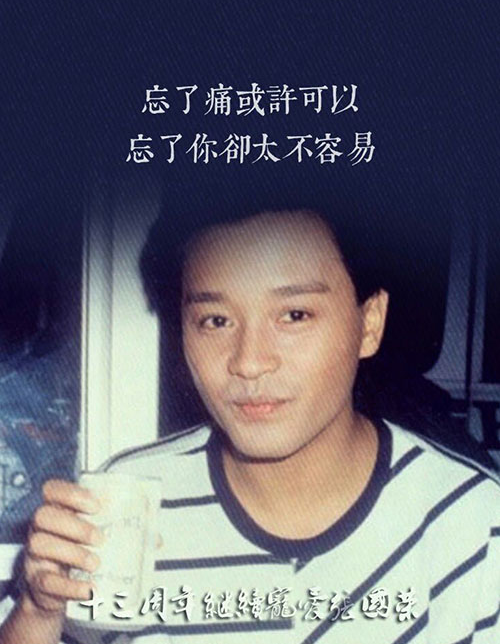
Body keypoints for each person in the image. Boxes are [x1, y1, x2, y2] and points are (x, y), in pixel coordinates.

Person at [0, 204, 499, 643]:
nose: (249, 361)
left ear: (369, 323)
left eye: (294, 315)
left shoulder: (472, 524)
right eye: (216, 321)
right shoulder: (132, 506)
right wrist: (38, 613)